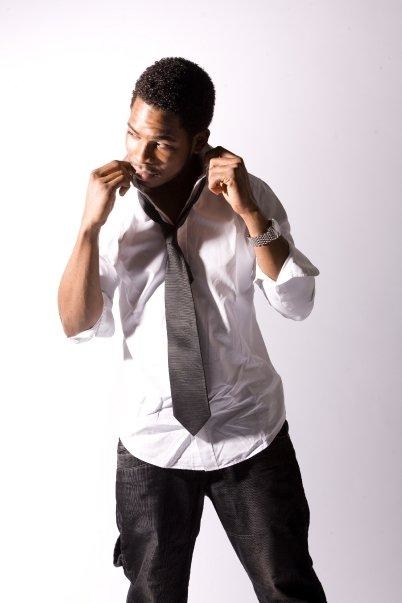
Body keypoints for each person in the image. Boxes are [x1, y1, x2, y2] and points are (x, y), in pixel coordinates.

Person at [57, 57, 327, 602]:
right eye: (133, 135)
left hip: (249, 428)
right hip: (152, 439)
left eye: (161, 143)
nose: (140, 156)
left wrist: (249, 213)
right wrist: (87, 228)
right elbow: (77, 324)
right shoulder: (113, 210)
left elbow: (296, 302)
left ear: (199, 140)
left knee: (288, 589)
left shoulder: (247, 195)